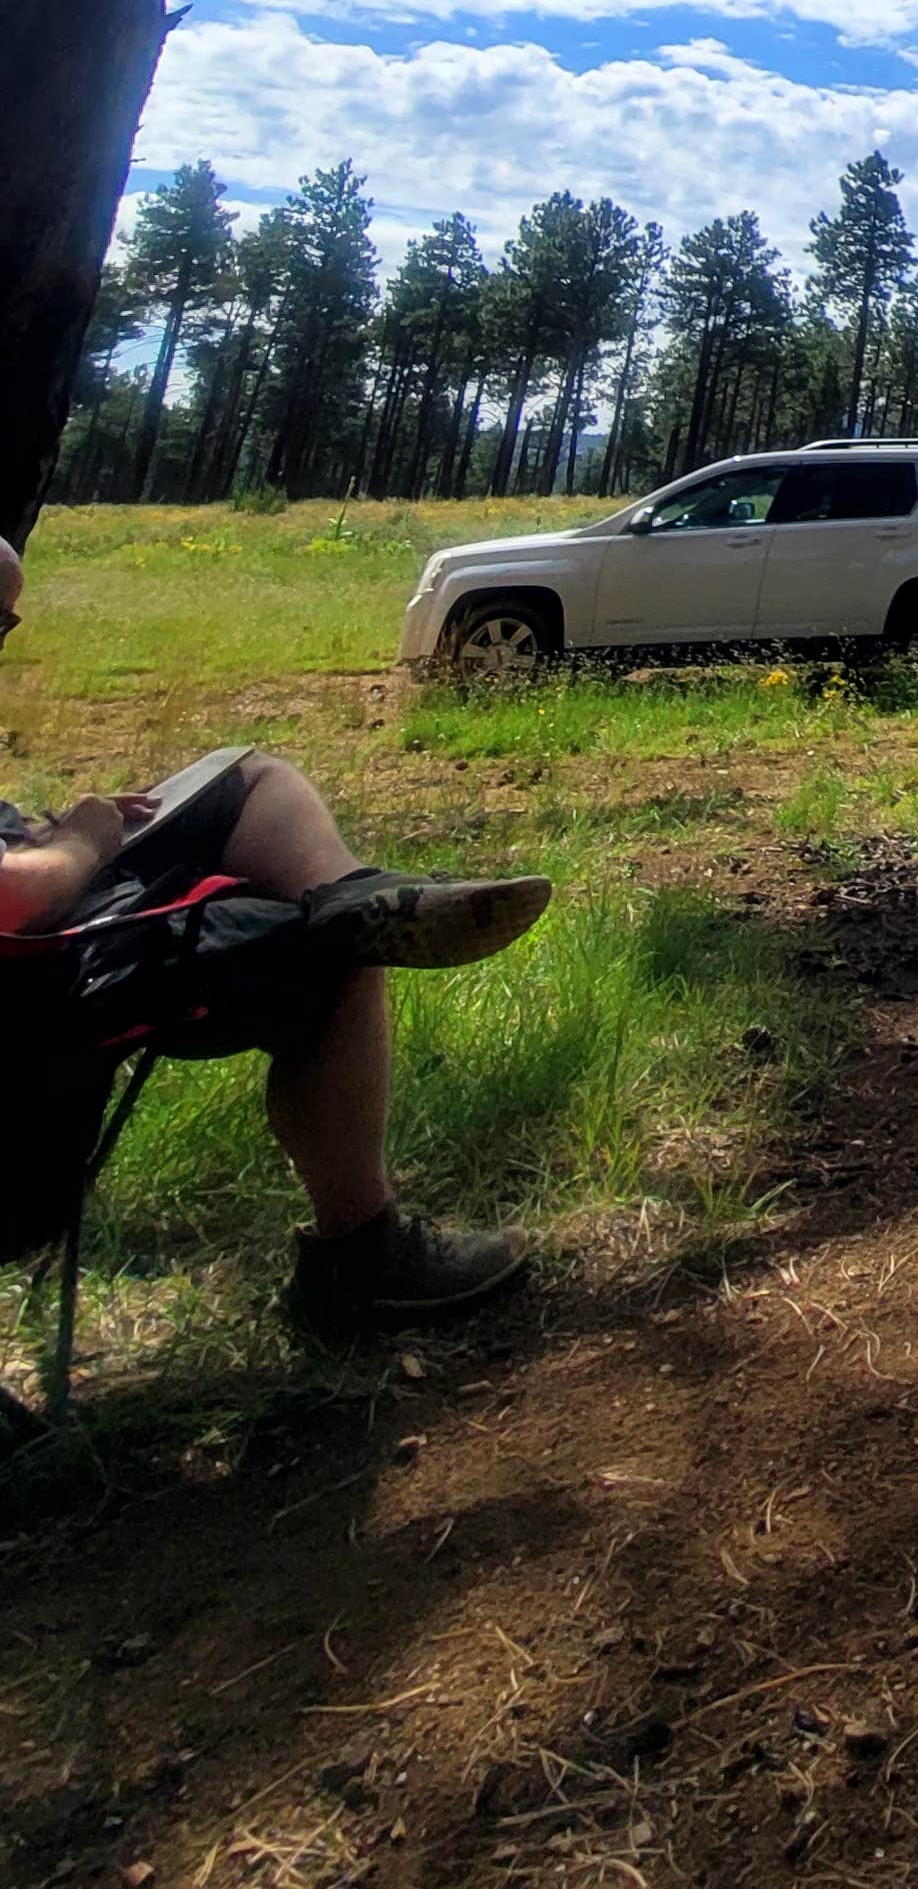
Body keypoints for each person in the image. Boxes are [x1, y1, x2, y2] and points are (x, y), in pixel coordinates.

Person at [0, 532, 555, 1337]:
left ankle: (352, 888)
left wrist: (50, 836)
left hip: (44, 913)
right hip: (37, 982)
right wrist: (81, 842)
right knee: (337, 948)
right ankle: (360, 1258)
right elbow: (12, 900)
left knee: (243, 779)